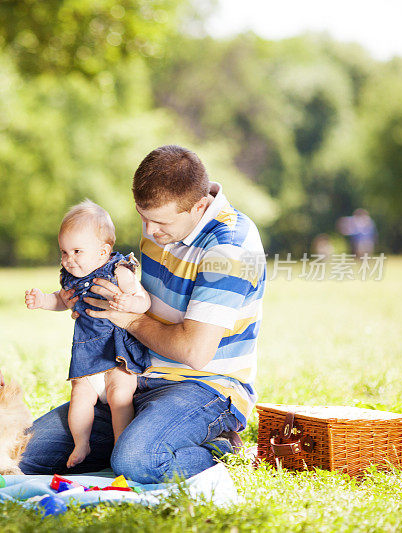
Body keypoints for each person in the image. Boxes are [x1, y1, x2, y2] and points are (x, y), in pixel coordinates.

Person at [20, 145, 266, 483]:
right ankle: (142, 439)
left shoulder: (229, 247)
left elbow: (194, 352)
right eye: (142, 217)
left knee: (137, 461)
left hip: (205, 387)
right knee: (19, 452)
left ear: (198, 206)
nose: (149, 232)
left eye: (161, 222)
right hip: (134, 375)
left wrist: (128, 319)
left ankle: (221, 449)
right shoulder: (162, 226)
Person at [24, 200, 151, 469]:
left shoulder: (119, 271)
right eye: (64, 252)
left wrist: (131, 303)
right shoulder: (70, 278)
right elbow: (62, 300)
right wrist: (43, 301)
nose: (69, 259)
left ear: (103, 251)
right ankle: (81, 443)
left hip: (117, 354)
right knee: (80, 396)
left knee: (120, 397)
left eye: (77, 251)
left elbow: (143, 299)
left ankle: (120, 444)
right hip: (87, 356)